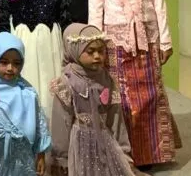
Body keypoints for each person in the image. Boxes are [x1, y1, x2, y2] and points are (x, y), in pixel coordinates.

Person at [88, 0, 181, 167]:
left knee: (151, 95)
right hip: (114, 42)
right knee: (123, 98)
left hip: (147, 40)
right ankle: (124, 154)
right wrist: (95, 44)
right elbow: (95, 9)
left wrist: (165, 41)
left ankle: (150, 154)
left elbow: (159, 3)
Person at [0, 0, 70, 118]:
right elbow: (2, 25)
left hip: (51, 46)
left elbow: (65, 21)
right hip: (21, 47)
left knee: (51, 87)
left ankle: (53, 128)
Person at [49, 24, 138, 176]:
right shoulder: (67, 83)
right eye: (90, 52)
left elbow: (116, 118)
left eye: (101, 51)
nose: (97, 56)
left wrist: (123, 151)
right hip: (79, 148)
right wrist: (61, 158)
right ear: (74, 50)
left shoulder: (106, 80)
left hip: (105, 144)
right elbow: (61, 124)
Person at [0, 33, 51, 176]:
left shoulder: (28, 92)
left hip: (23, 158)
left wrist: (41, 155)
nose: (10, 68)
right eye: (4, 62)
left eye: (16, 63)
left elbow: (40, 124)